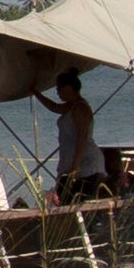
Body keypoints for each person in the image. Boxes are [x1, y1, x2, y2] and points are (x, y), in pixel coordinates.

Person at [46, 69, 107, 201]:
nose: (57, 92)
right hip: (72, 161)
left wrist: (75, 167)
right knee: (65, 199)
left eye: (59, 88)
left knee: (76, 201)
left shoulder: (80, 108)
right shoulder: (70, 106)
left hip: (84, 163)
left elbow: (82, 138)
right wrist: (34, 92)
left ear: (68, 88)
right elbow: (54, 107)